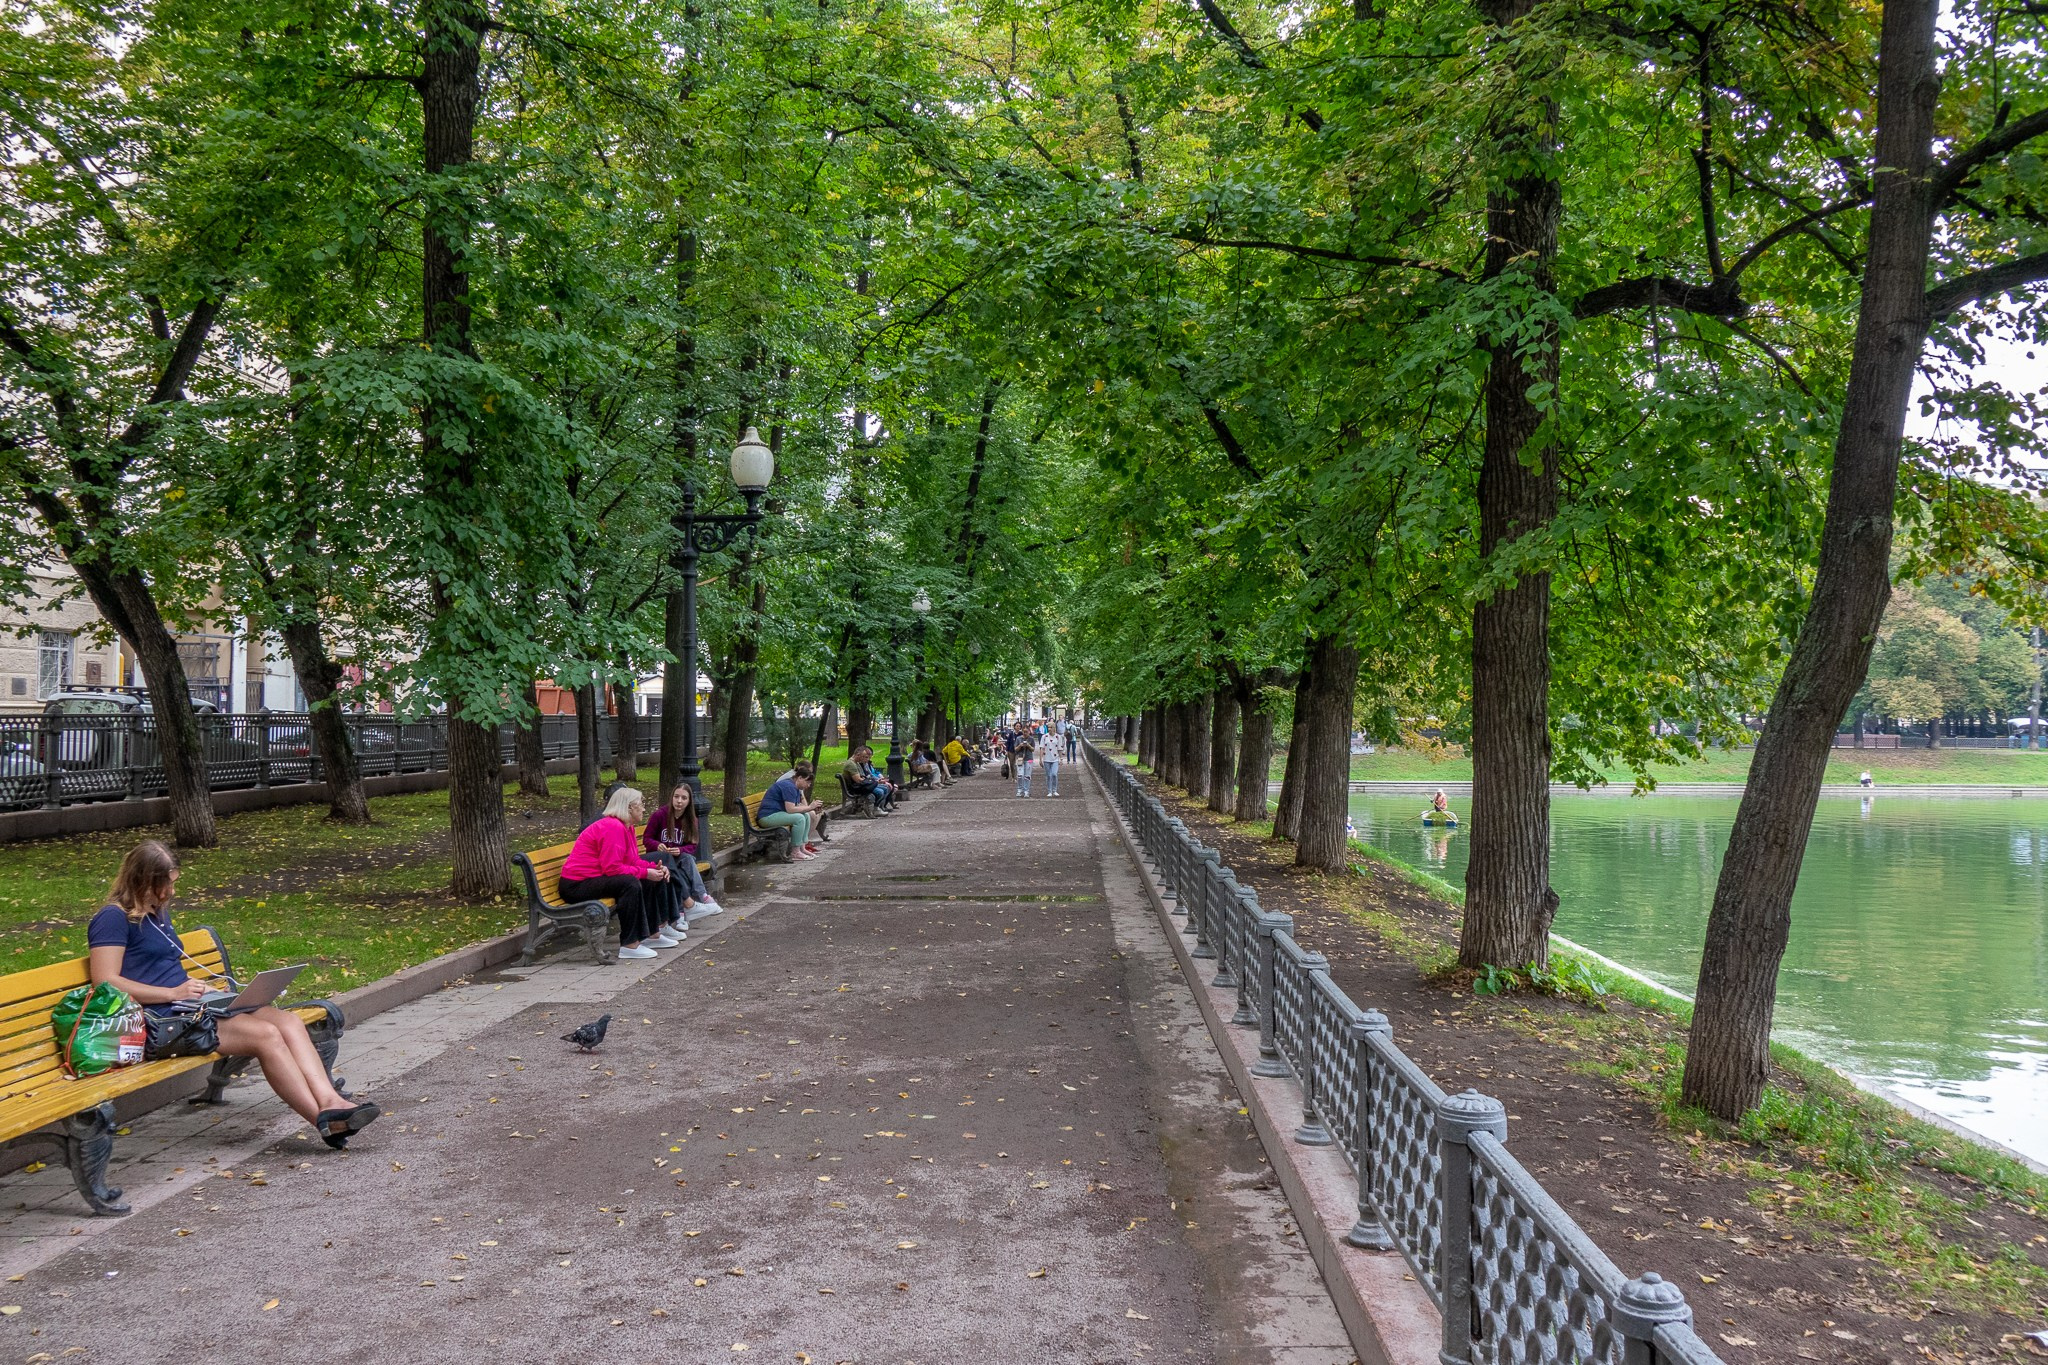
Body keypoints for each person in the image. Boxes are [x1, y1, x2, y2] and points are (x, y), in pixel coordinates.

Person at [87, 840, 378, 1149]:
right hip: (162, 1021)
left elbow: (157, 967)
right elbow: (105, 983)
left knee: (289, 1022)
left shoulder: (156, 913)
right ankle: (323, 1120)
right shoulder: (113, 919)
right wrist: (173, 991)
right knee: (266, 1035)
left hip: (189, 1005)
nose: (170, 893)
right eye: (164, 885)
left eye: (172, 884)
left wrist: (202, 987)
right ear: (142, 878)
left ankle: (330, 1100)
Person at [561, 787, 674, 961]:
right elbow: (612, 869)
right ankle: (629, 944)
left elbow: (632, 861)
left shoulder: (626, 827)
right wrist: (645, 873)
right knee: (630, 883)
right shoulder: (612, 827)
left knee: (649, 878)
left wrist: (654, 868)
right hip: (576, 885)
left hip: (594, 879)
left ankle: (652, 935)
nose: (644, 808)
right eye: (641, 804)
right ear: (629, 807)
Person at [642, 783, 725, 925]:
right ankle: (682, 913)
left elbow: (692, 846)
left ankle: (700, 897)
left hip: (679, 857)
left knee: (686, 859)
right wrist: (657, 845)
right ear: (672, 798)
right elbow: (646, 839)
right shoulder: (659, 815)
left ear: (689, 801)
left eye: (684, 798)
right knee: (678, 873)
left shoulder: (691, 820)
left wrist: (680, 850)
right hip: (659, 858)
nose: (679, 801)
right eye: (676, 797)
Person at [760, 762, 829, 859]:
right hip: (767, 817)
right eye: (807, 782)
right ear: (799, 778)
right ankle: (795, 852)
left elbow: (797, 806)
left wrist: (812, 808)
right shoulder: (789, 786)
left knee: (805, 815)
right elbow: (791, 809)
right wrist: (810, 807)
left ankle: (802, 848)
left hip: (778, 814)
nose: (808, 785)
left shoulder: (795, 786)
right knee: (799, 818)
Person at [1041, 728, 1062, 797]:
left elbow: (1059, 748)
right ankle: (1049, 791)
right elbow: (1042, 747)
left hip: (1055, 758)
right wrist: (1040, 758)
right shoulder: (1044, 737)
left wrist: (1061, 758)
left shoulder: (1058, 737)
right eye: (1048, 728)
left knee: (1054, 774)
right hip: (1046, 758)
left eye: (1050, 727)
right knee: (1048, 775)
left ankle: (1054, 790)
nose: (1049, 729)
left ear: (1054, 728)